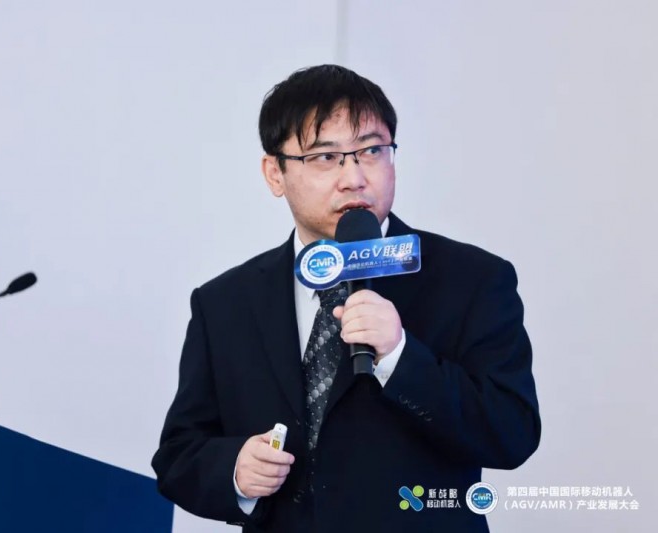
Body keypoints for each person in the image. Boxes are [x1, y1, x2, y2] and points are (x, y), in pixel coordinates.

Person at [152, 64, 540, 532]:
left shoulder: (471, 279)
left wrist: (400, 357)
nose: (354, 177)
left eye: (372, 151)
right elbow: (178, 456)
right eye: (325, 157)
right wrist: (235, 469)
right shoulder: (225, 302)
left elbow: (512, 434)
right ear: (275, 173)